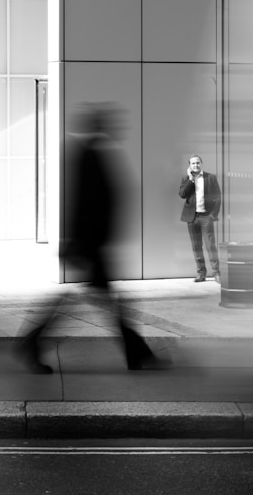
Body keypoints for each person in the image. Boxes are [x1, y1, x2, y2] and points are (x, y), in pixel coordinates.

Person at [16, 103, 158, 372]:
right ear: (99, 125)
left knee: (102, 301)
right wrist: (86, 242)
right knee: (108, 302)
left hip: (90, 244)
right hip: (91, 244)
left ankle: (33, 341)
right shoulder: (90, 154)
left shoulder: (90, 152)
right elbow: (88, 203)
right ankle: (137, 354)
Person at [179, 154, 221, 283]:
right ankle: (201, 273)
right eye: (193, 163)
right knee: (196, 246)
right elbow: (182, 194)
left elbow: (218, 197)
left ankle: (217, 273)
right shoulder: (186, 178)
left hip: (206, 217)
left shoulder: (211, 178)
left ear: (201, 164)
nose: (196, 165)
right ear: (189, 166)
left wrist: (213, 214)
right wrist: (191, 180)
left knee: (210, 246)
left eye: (198, 163)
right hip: (192, 218)